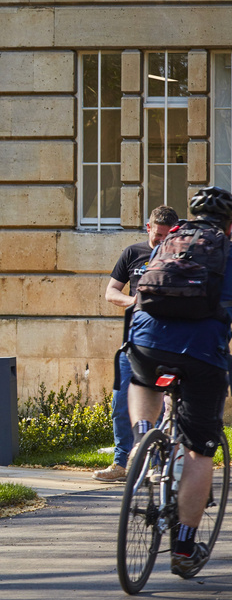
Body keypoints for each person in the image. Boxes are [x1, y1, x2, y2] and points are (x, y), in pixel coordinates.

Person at [126, 186, 232, 578]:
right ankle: (184, 547)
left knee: (142, 380)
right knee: (199, 452)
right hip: (201, 353)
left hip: (146, 340)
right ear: (230, 225)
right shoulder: (226, 250)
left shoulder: (169, 241)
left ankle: (142, 440)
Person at [94, 205, 179, 483]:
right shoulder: (133, 253)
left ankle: (155, 465)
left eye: (167, 236)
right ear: (148, 228)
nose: (161, 242)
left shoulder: (180, 258)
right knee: (121, 403)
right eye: (157, 236)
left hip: (168, 344)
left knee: (160, 406)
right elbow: (111, 293)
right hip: (133, 344)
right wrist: (137, 303)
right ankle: (120, 463)